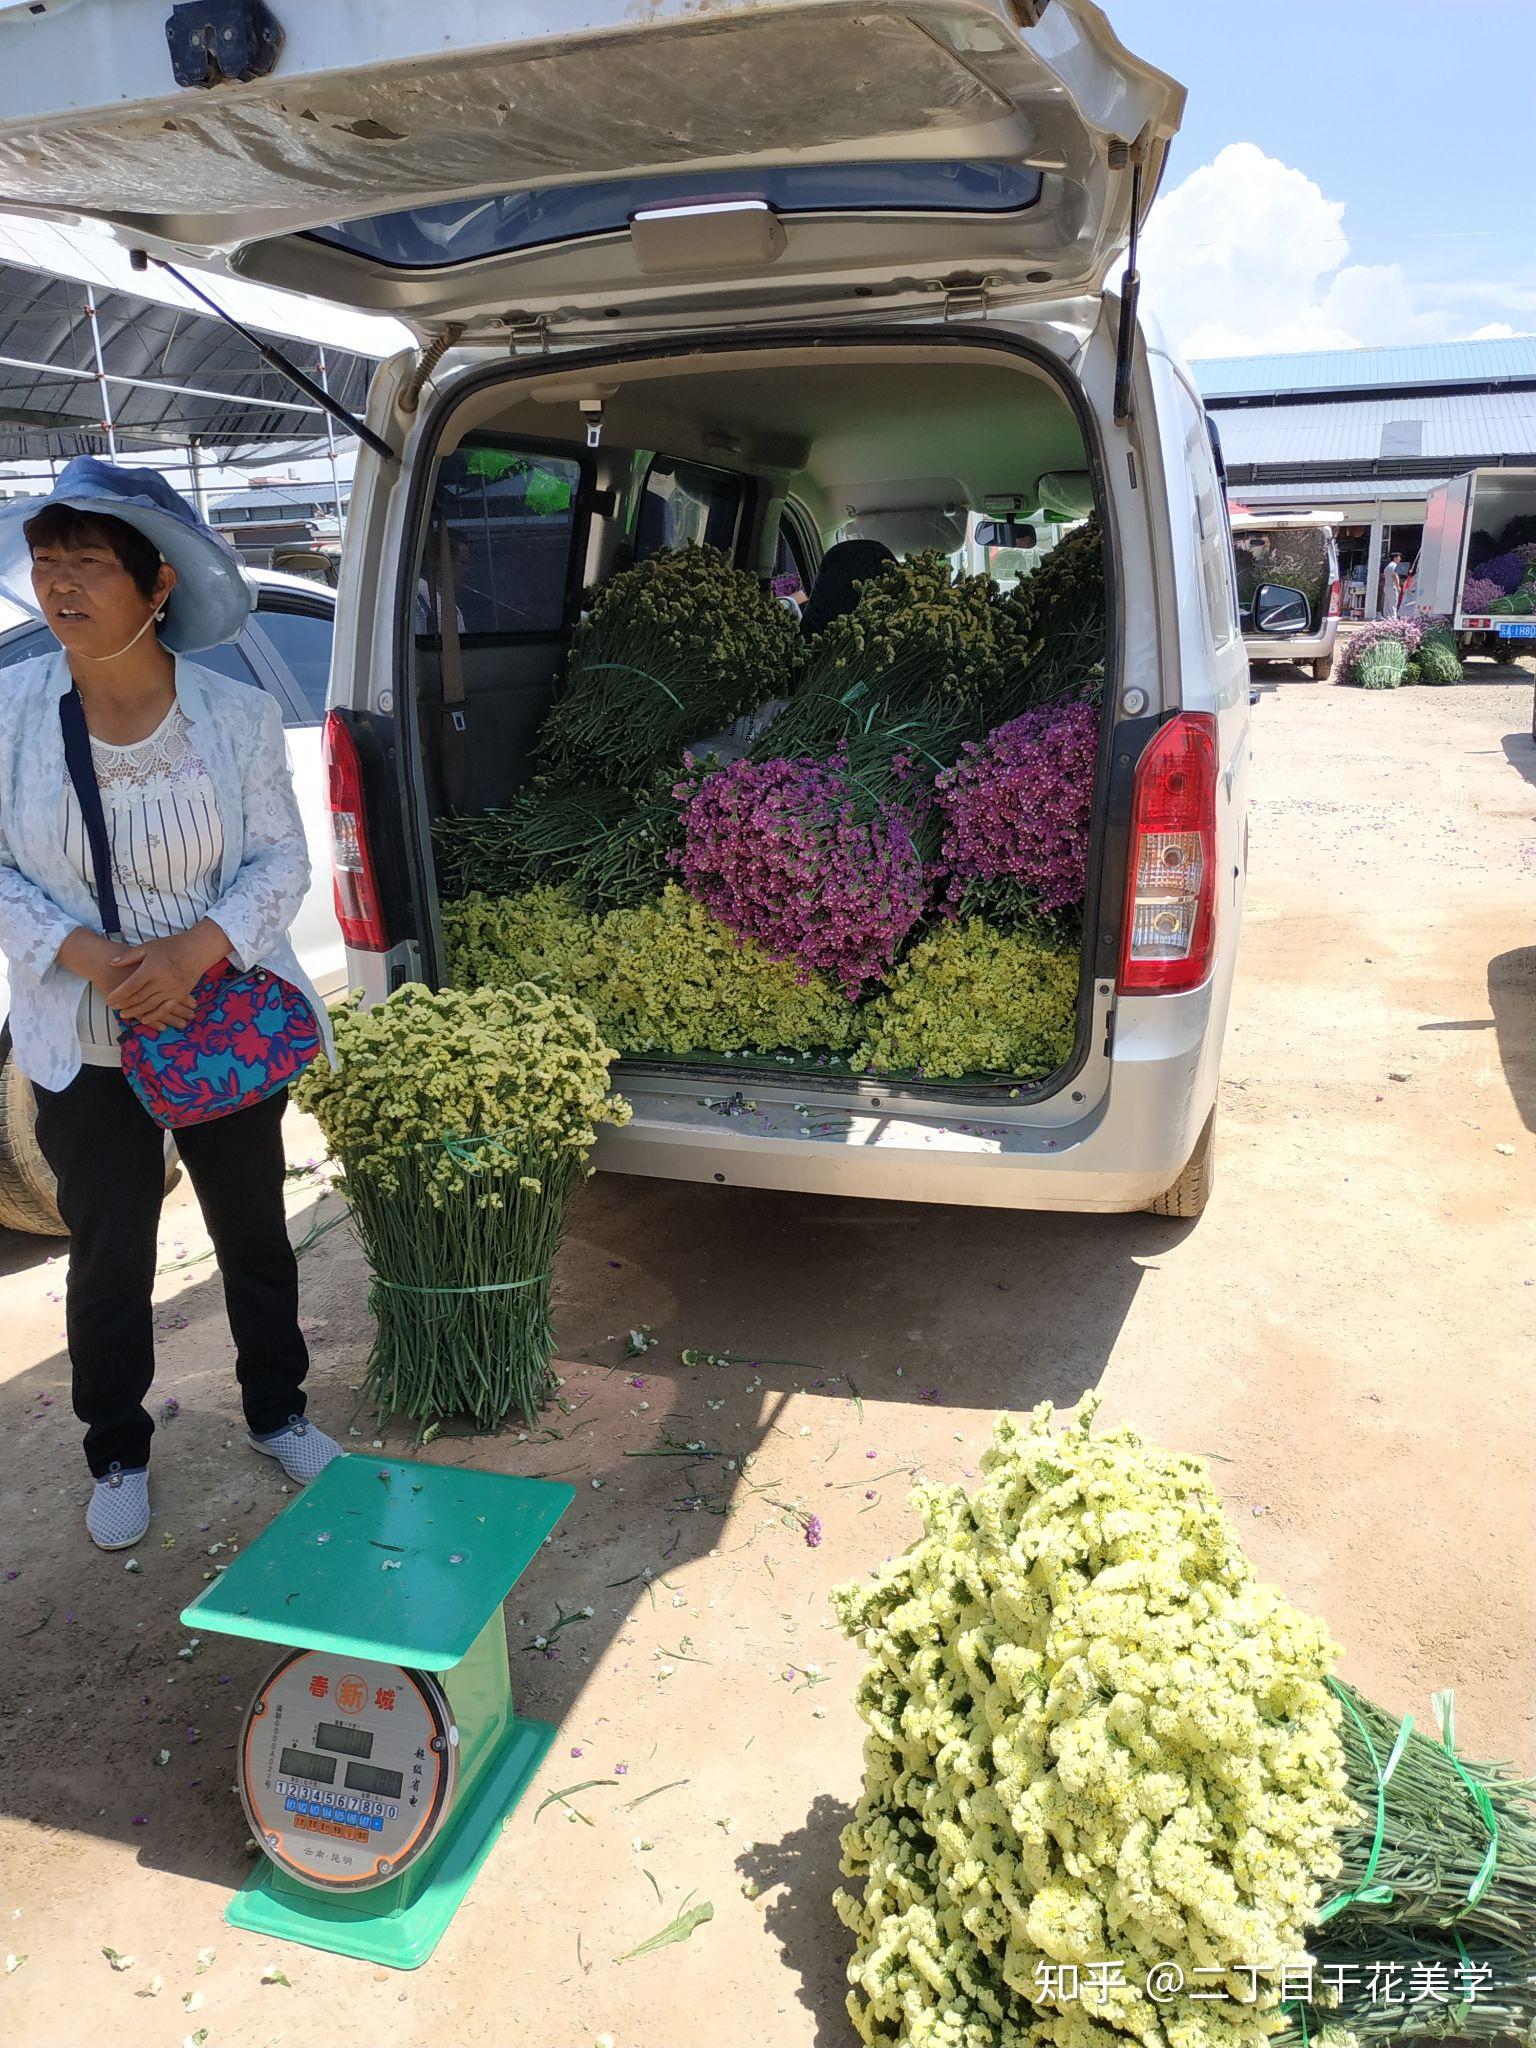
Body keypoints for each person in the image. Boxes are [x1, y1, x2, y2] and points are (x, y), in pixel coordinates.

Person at [0, 458, 342, 1552]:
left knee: (253, 1231)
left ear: (157, 587)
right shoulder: (8, 713)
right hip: (83, 1037)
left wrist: (196, 951)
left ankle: (278, 1410)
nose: (59, 583)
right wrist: (91, 955)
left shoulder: (235, 718)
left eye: (87, 562)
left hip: (218, 1026)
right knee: (112, 1248)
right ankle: (116, 1446)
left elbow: (282, 861)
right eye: (46, 561)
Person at [1382, 552, 1404, 619]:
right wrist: (1398, 586)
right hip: (1392, 587)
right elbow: (1395, 575)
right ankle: (1394, 618)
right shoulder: (1394, 566)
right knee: (1393, 603)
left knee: (1387, 603)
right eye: (1398, 558)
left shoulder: (1387, 566)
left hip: (1386, 586)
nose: (1399, 559)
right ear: (1394, 558)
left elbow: (1384, 576)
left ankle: (1386, 617)